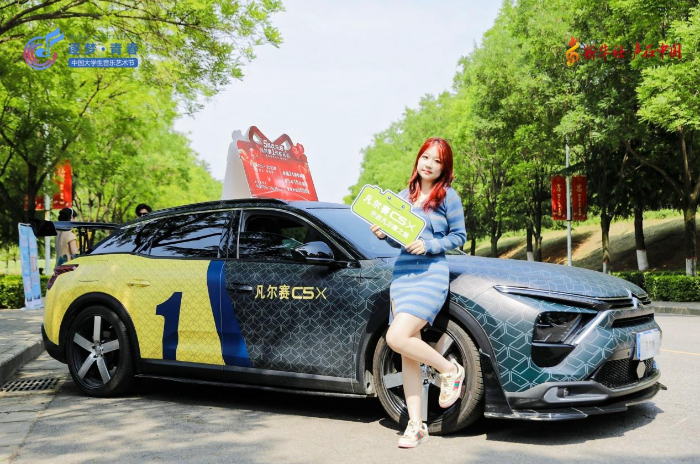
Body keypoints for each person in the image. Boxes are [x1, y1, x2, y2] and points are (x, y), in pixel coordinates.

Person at [369, 137, 467, 448]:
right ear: (418, 159)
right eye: (426, 157)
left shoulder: (448, 196)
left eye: (437, 161)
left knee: (396, 337)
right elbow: (397, 239)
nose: (429, 164)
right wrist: (383, 234)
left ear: (444, 168)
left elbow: (459, 236)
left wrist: (430, 244)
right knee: (407, 351)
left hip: (430, 273)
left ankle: (450, 369)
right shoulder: (403, 197)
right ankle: (416, 425)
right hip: (403, 275)